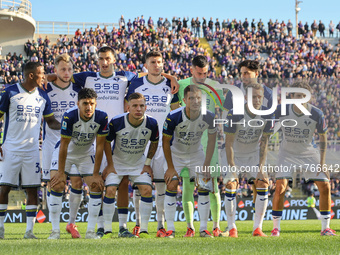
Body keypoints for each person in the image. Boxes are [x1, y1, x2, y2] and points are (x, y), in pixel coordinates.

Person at [47, 46, 179, 237]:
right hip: (92, 138)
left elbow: (151, 71)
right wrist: (47, 77)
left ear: (114, 60)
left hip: (118, 135)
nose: (104, 62)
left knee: (122, 180)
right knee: (97, 182)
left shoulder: (126, 77)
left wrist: (170, 77)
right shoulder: (88, 77)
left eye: (108, 58)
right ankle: (99, 225)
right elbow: (63, 76)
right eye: (101, 58)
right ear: (97, 60)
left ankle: (122, 226)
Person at [0, 61, 60, 239]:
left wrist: (68, 125)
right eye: (41, 74)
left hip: (33, 150)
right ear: (31, 75)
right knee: (4, 188)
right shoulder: (10, 92)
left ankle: (29, 231)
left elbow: (51, 122)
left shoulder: (43, 95)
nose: (44, 76)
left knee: (33, 190)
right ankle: (0, 229)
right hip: (10, 149)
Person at [125, 51, 180, 237]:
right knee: (142, 186)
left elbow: (175, 112)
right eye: (152, 62)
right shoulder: (137, 83)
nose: (156, 65)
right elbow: (129, 109)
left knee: (162, 185)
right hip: (142, 142)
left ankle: (160, 225)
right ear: (146, 65)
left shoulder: (170, 85)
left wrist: (171, 77)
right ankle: (140, 223)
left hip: (165, 142)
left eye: (159, 62)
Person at [271, 81, 336, 236]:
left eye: (303, 96)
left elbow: (323, 138)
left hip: (308, 152)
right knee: (280, 186)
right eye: (296, 95)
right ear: (291, 96)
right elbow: (270, 128)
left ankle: (325, 227)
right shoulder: (281, 110)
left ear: (308, 98)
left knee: (325, 185)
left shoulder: (316, 113)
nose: (299, 99)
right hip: (286, 153)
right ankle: (276, 228)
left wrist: (322, 163)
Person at [48, 88, 111, 239]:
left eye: (91, 103)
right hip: (66, 153)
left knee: (96, 186)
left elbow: (100, 146)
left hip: (86, 153)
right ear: (78, 104)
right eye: (85, 103)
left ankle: (90, 232)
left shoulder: (102, 117)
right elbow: (64, 144)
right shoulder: (69, 116)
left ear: (96, 104)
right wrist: (61, 172)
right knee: (57, 184)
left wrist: (96, 174)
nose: (88, 107)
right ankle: (55, 231)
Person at [177, 55, 225, 237]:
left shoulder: (214, 87)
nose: (202, 77)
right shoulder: (181, 85)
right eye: (198, 74)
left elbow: (225, 108)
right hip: (187, 143)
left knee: (212, 186)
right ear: (191, 70)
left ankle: (215, 226)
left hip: (209, 142)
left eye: (205, 73)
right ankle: (190, 227)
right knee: (188, 186)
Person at [101, 92, 159, 238]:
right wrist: (109, 164)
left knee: (146, 189)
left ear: (146, 107)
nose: (138, 109)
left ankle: (144, 230)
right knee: (110, 190)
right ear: (128, 107)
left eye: (141, 106)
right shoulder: (117, 121)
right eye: (135, 106)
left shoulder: (152, 123)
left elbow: (155, 142)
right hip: (117, 163)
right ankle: (107, 230)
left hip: (138, 163)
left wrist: (147, 163)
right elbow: (106, 142)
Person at [163, 85, 217, 238]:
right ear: (185, 100)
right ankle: (171, 229)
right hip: (176, 154)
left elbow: (212, 141)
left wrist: (206, 164)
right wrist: (170, 167)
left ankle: (203, 229)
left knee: (204, 186)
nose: (195, 101)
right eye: (191, 98)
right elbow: (165, 142)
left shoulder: (209, 116)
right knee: (172, 184)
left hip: (196, 154)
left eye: (198, 98)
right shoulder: (173, 116)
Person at [224, 83, 274, 237]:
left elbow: (265, 142)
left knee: (263, 182)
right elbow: (229, 143)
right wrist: (233, 168)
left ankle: (257, 228)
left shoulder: (267, 114)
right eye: (254, 97)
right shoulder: (235, 113)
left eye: (260, 97)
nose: (257, 100)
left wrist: (261, 167)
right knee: (230, 184)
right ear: (246, 98)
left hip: (253, 154)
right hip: (234, 154)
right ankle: (232, 227)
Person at [42, 54, 82, 238]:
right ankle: (54, 229)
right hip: (52, 142)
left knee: (77, 182)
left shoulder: (79, 89)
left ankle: (71, 223)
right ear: (55, 70)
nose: (66, 73)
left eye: (69, 69)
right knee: (56, 184)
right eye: (62, 69)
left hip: (75, 143)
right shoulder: (45, 89)